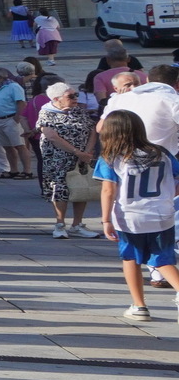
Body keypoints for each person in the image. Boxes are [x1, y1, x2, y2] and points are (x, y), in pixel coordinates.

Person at [95, 110, 179, 324]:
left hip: (130, 216)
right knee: (162, 258)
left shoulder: (111, 157)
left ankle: (139, 305)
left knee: (131, 258)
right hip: (162, 213)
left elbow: (108, 191)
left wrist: (106, 220)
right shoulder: (162, 153)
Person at [37, 80, 100, 237]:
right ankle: (60, 224)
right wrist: (77, 152)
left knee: (81, 188)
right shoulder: (46, 112)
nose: (75, 98)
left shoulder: (78, 111)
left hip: (82, 158)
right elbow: (52, 136)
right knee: (60, 190)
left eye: (76, 95)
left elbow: (92, 130)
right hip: (58, 159)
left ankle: (77, 224)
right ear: (56, 99)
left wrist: (87, 151)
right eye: (70, 96)